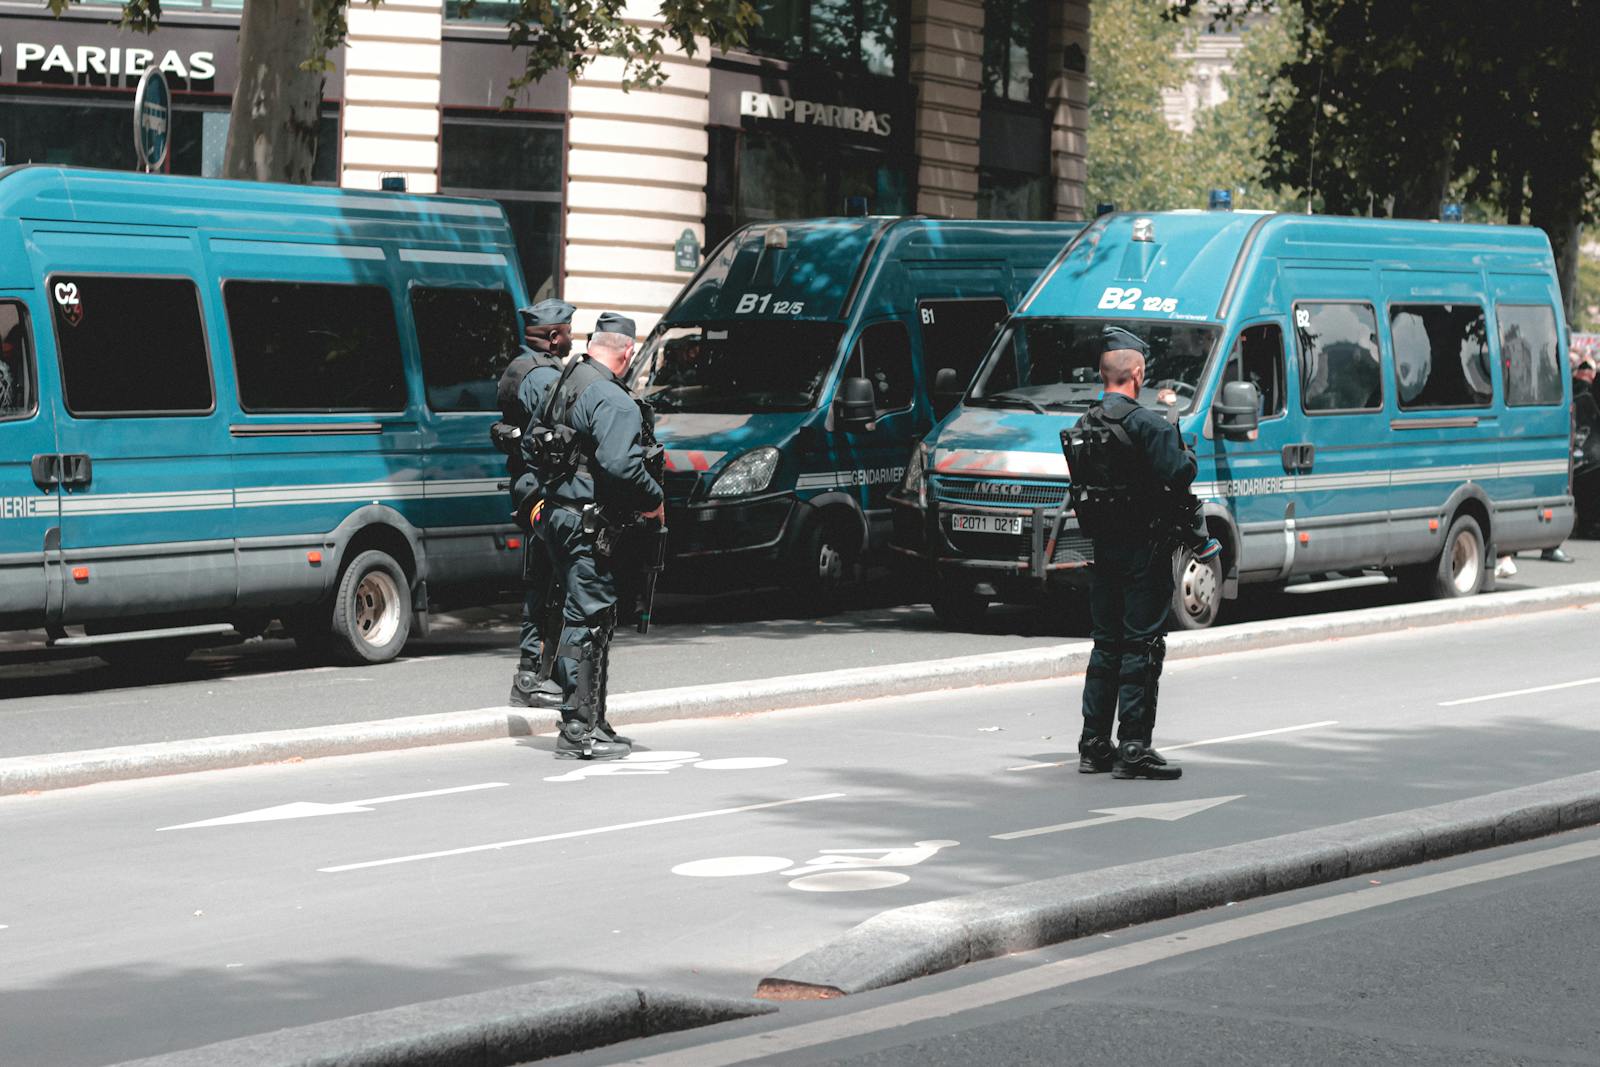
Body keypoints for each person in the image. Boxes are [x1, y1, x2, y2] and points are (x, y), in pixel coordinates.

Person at [1064, 326, 1202, 781]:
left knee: (1106, 646)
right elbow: (1179, 473)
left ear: (1102, 373)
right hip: (1145, 549)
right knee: (1141, 647)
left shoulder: (1085, 424)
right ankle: (1135, 747)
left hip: (1104, 550)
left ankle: (1093, 745)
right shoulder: (1148, 424)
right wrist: (1179, 436)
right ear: (1138, 372)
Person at [528, 312, 665, 760]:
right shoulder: (614, 400)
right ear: (627, 352)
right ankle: (578, 730)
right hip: (588, 524)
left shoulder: (561, 383)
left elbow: (531, 442)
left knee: (590, 617)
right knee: (588, 621)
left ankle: (594, 721)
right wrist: (654, 498)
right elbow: (623, 466)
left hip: (556, 517)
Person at [494, 298, 576, 709]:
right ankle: (532, 675)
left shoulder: (518, 367)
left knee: (544, 580)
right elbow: (570, 423)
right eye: (569, 333)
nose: (571, 340)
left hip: (529, 486)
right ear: (555, 336)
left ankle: (536, 673)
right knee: (549, 582)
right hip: (543, 489)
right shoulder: (543, 377)